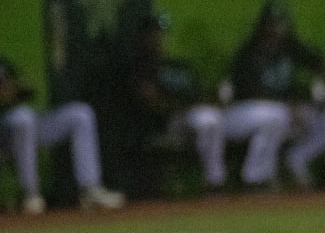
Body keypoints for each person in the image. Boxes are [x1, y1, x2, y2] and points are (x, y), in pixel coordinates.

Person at [126, 13, 289, 194]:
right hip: (175, 120)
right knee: (207, 119)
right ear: (144, 36)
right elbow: (151, 101)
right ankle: (214, 182)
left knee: (275, 114)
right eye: (154, 33)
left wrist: (214, 99)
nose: (159, 38)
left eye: (161, 33)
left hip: (206, 114)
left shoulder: (178, 65)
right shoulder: (141, 65)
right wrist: (187, 105)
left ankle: (256, 179)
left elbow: (199, 91)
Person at [227, 0, 325, 190]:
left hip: (290, 111)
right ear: (262, 24)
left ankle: (298, 157)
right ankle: (257, 179)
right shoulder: (249, 52)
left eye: (280, 22)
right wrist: (288, 106)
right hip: (253, 111)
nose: (276, 28)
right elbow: (249, 92)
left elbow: (323, 65)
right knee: (276, 114)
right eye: (272, 22)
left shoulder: (291, 46)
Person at [1, 52, 124, 215]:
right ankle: (31, 194)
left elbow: (20, 89)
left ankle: (90, 188)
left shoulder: (4, 63)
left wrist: (18, 90)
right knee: (23, 119)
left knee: (80, 114)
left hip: (21, 124)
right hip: (7, 127)